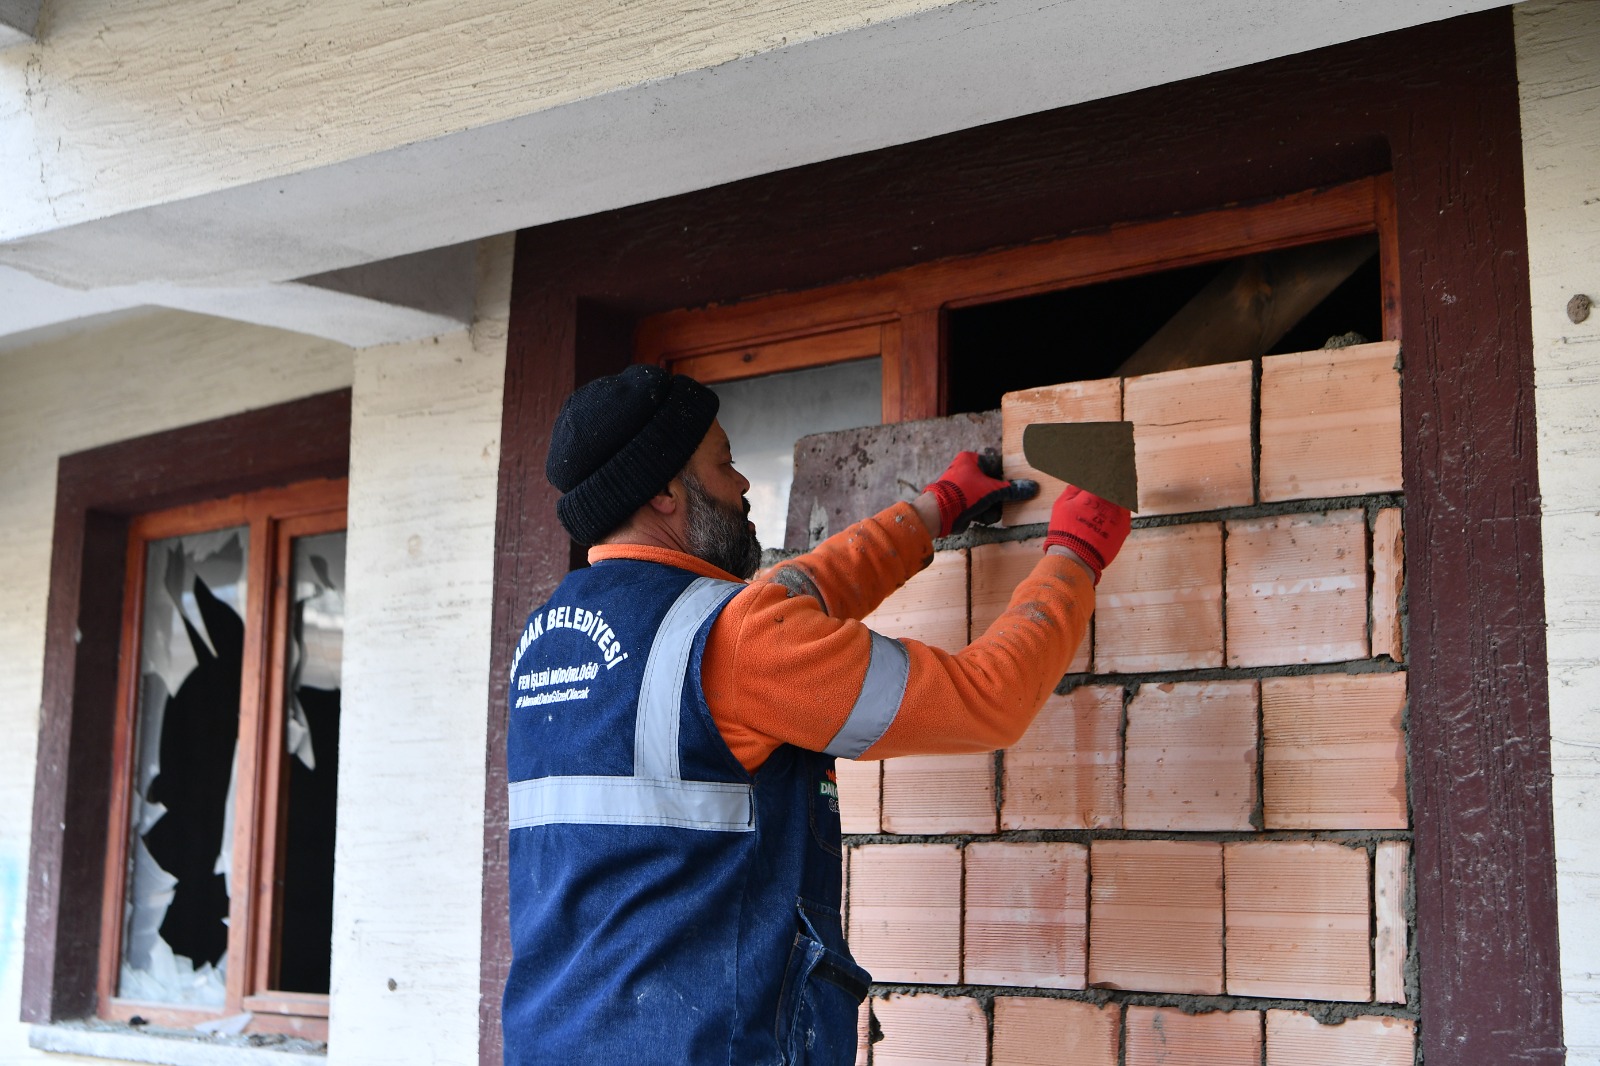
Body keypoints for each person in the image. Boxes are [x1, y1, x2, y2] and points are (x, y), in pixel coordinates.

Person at [501, 365, 1129, 1065]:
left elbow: (787, 599)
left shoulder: (548, 642)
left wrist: (935, 508)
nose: (742, 486)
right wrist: (1076, 553)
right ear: (663, 491)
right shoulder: (737, 641)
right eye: (725, 464)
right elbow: (989, 701)